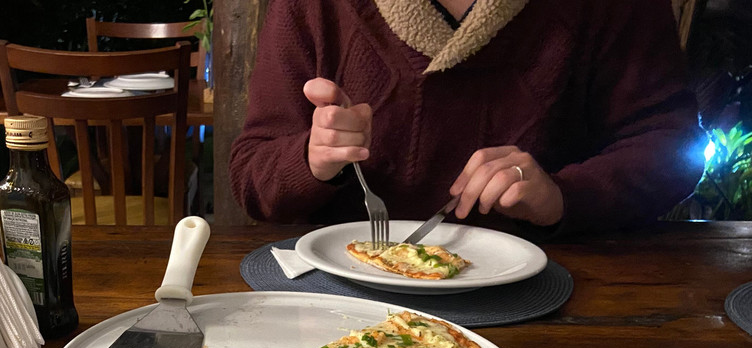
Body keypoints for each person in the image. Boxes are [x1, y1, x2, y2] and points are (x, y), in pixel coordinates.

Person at [229, 0, 703, 236]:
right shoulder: (312, 8)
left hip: (552, 304)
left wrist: (564, 196)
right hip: (336, 304)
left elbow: (673, 150)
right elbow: (252, 178)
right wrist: (310, 160)